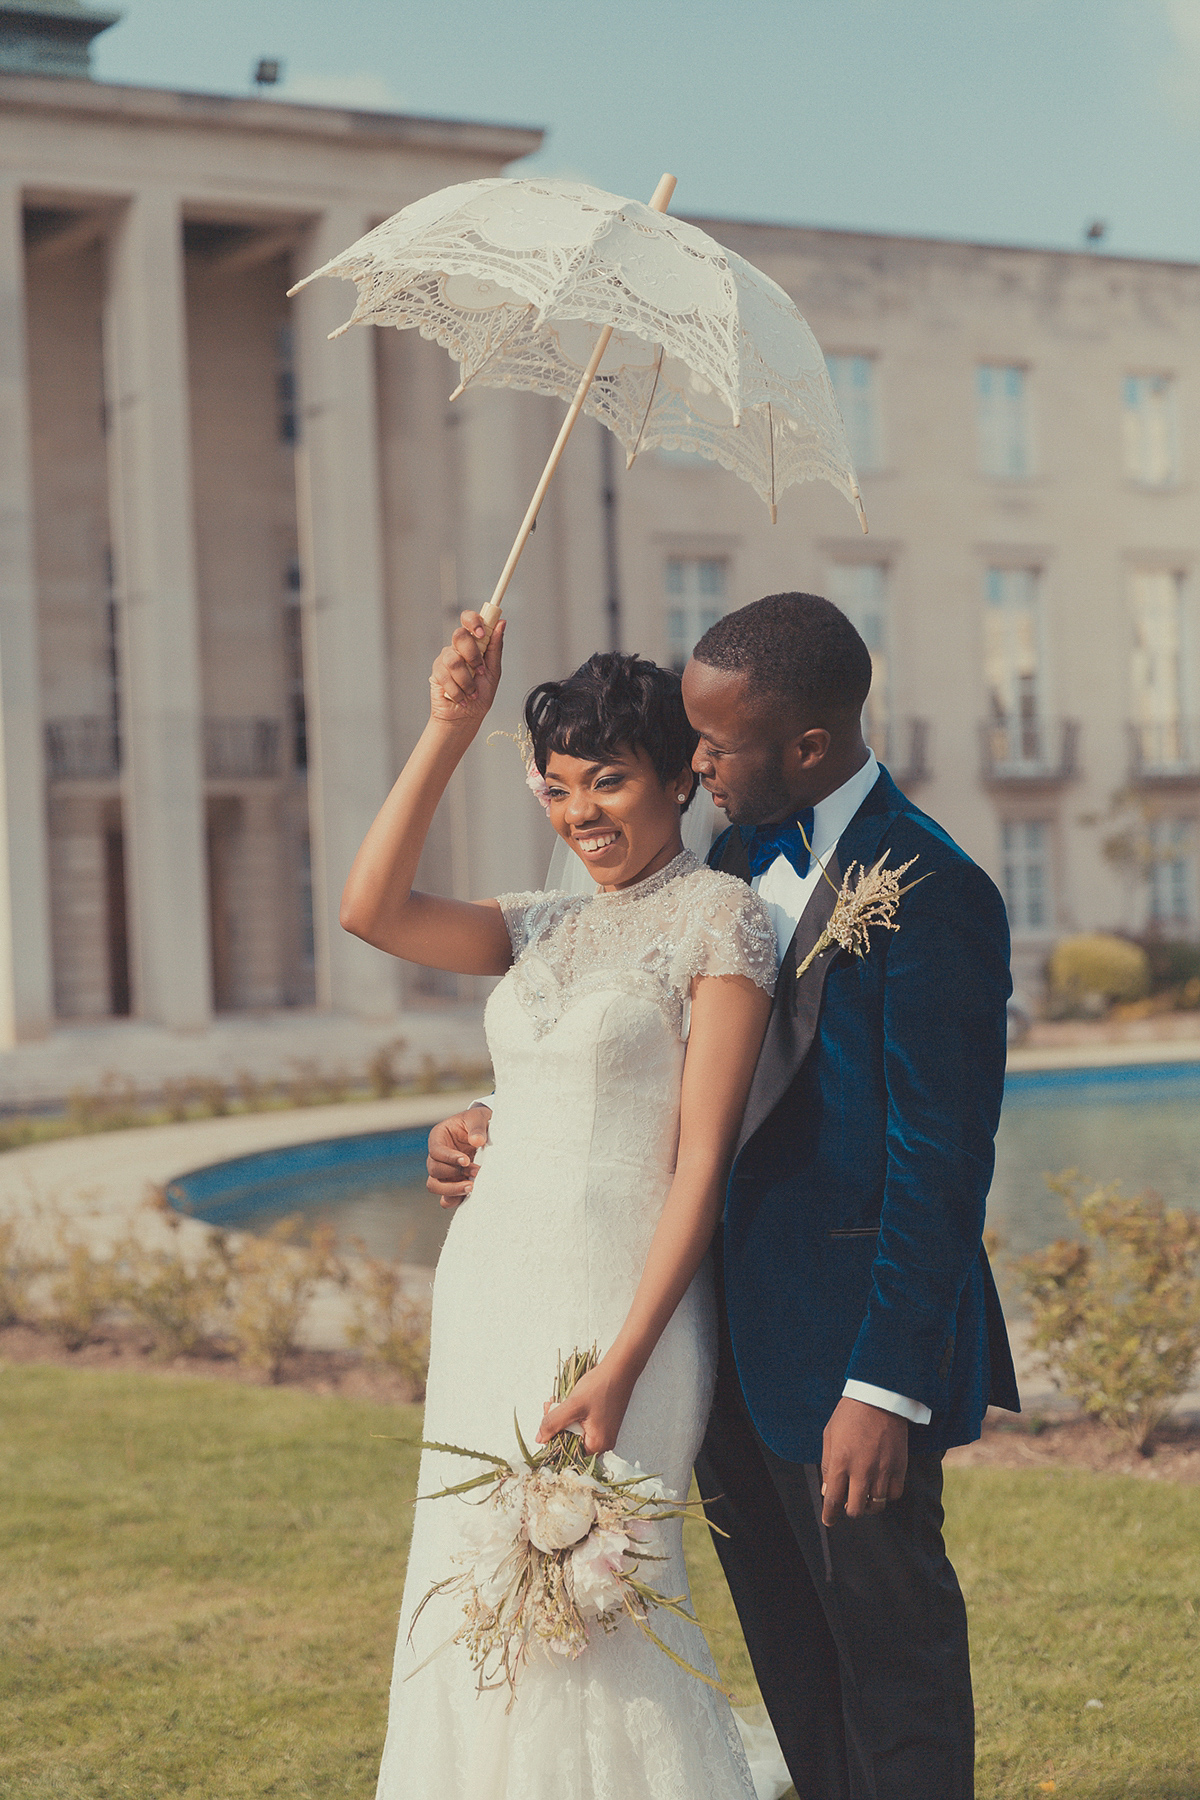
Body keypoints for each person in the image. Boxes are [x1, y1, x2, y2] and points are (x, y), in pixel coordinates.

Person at [429, 592, 1020, 1800]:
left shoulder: (937, 889)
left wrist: (884, 1388)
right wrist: (510, 1121)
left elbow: (940, 1166)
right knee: (793, 1661)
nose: (691, 766)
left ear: (806, 744)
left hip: (852, 1357)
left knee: (890, 1653)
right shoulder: (733, 861)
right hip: (720, 1350)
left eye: (714, 745)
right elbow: (672, 1074)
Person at [341, 609, 779, 1800]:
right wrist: (447, 728)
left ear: (680, 776)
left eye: (609, 780)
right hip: (491, 1286)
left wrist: (626, 1360)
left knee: (604, 1591)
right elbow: (370, 909)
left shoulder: (720, 922)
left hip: (619, 1307)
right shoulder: (542, 924)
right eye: (555, 786)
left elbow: (699, 1164)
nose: (580, 812)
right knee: (474, 1574)